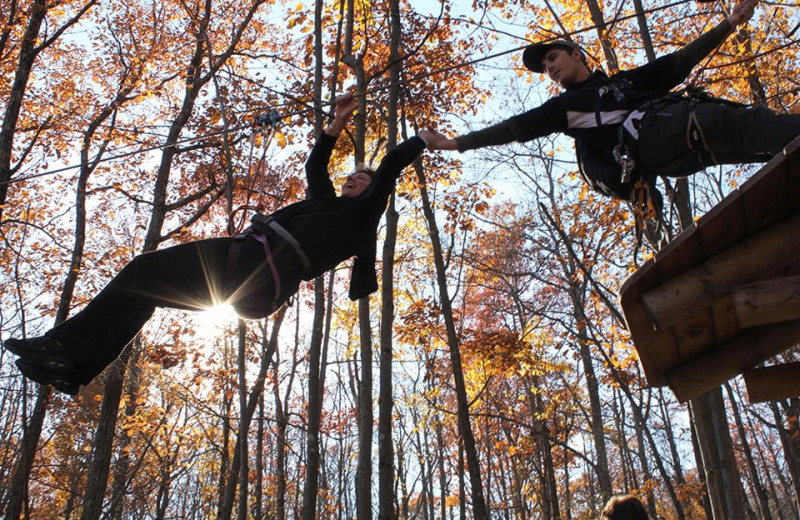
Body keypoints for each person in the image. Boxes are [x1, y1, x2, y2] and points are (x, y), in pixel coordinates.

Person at [4, 93, 432, 395]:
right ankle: (71, 366)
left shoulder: (363, 216)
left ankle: (62, 347)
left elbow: (393, 163)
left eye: (359, 179)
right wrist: (336, 122)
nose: (350, 180)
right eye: (350, 176)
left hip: (256, 265)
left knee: (143, 271)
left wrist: (425, 141)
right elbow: (316, 163)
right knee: (145, 283)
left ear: (373, 191)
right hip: (249, 270)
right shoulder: (325, 204)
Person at [423, 0, 799, 202]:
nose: (549, 69)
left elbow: (679, 62)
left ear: (576, 53)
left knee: (770, 146)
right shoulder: (565, 110)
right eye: (544, 68)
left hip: (682, 140)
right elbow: (515, 128)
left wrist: (729, 23)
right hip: (662, 136)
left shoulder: (627, 80)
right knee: (758, 128)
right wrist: (455, 143)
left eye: (552, 58)